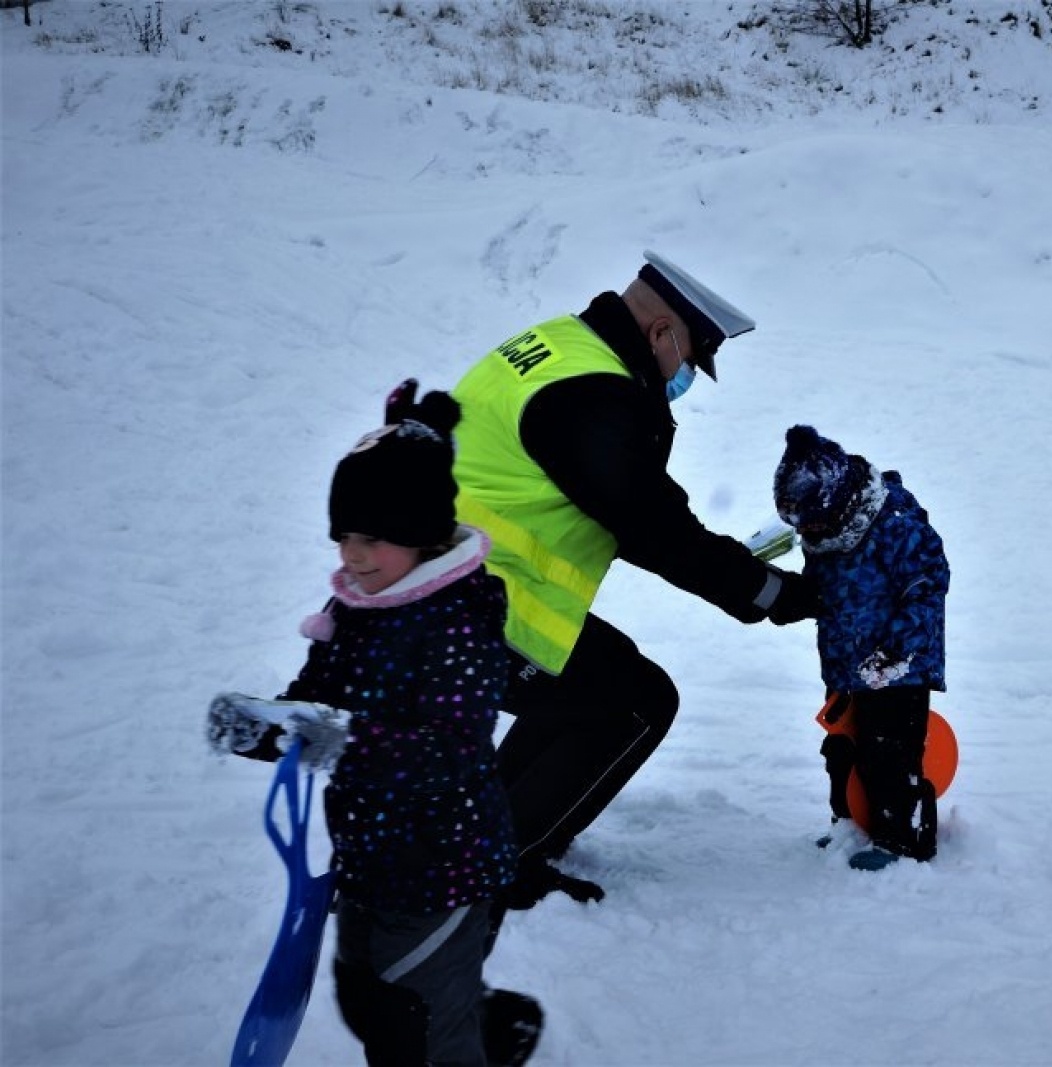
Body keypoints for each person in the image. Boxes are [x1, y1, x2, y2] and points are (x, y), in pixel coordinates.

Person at [451, 251, 818, 906]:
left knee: (598, 679)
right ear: (660, 333)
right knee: (636, 704)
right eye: (690, 362)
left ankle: (487, 834)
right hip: (465, 601)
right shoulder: (593, 394)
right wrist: (774, 594)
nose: (684, 380)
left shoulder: (561, 347)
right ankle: (495, 869)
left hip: (447, 582)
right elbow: (655, 529)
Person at [208, 380, 540, 1067]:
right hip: (368, 859)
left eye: (372, 539)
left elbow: (449, 751)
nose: (353, 556)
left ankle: (472, 1037)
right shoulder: (362, 603)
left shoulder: (459, 620)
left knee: (411, 1026)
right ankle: (489, 1025)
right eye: (343, 539)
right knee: (362, 996)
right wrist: (265, 726)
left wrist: (343, 739)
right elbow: (315, 698)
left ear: (421, 535)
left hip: (443, 868)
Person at [773, 424, 951, 872]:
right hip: (845, 666)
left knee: (890, 754)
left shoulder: (896, 526)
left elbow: (927, 589)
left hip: (898, 668)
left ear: (840, 499)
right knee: (842, 751)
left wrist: (897, 651)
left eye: (811, 520)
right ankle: (849, 824)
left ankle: (904, 840)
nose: (806, 531)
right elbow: (823, 590)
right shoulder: (826, 533)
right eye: (799, 524)